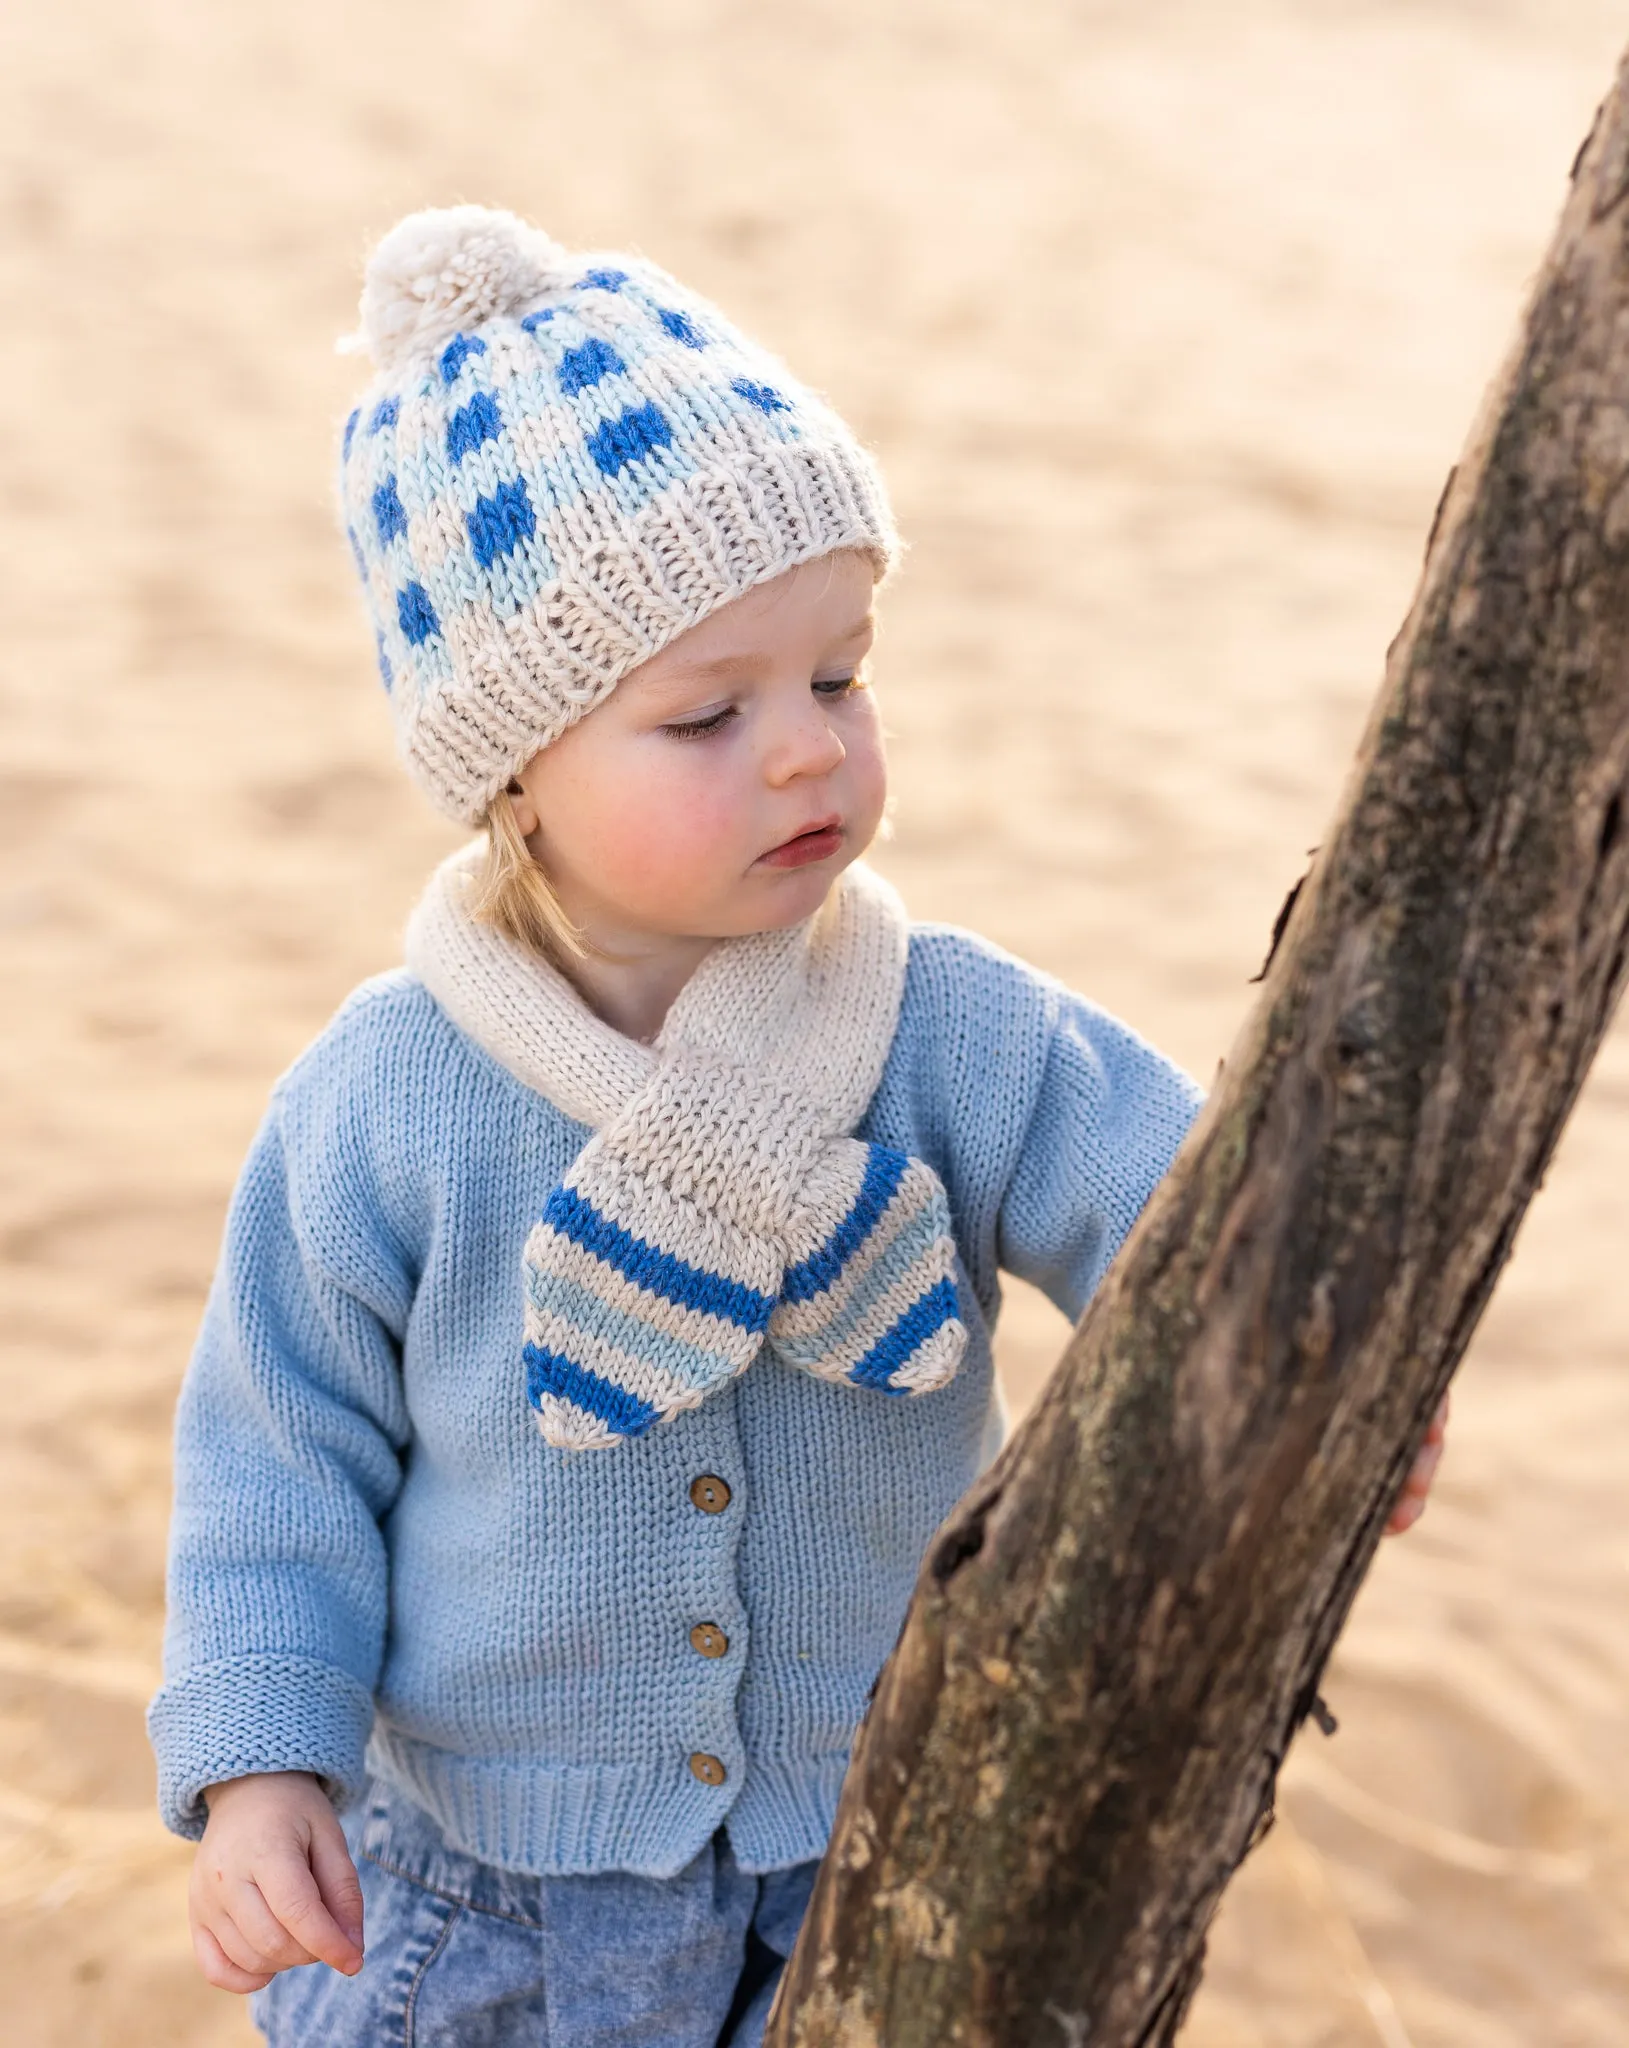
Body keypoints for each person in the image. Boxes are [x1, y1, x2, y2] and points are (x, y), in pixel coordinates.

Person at [148, 205, 1445, 2047]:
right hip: (488, 1901)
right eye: (708, 715)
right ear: (510, 774)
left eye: (839, 674)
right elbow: (279, 1466)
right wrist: (262, 1770)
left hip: (878, 1856)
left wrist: (1344, 1378)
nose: (807, 751)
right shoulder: (383, 1103)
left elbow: (1189, 1208)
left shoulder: (950, 1032)